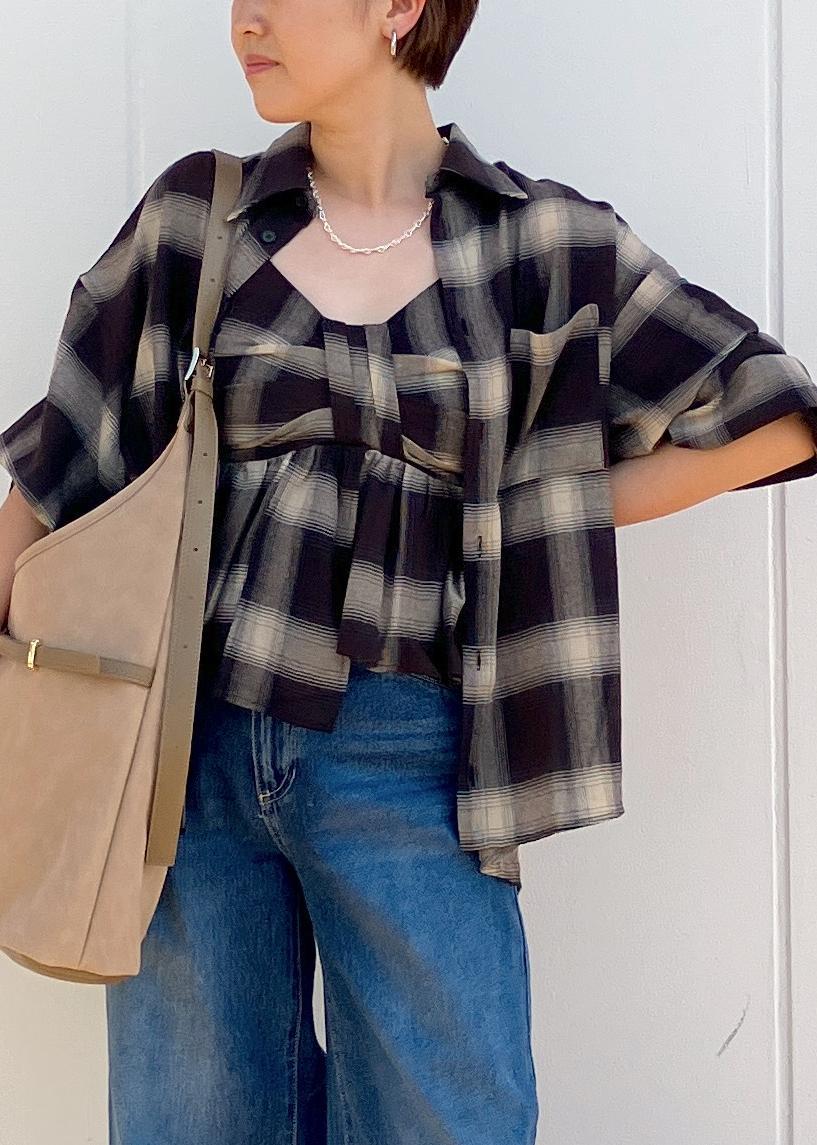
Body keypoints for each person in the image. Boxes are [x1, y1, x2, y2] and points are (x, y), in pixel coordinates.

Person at [1, 1, 816, 1142]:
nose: (245, 20)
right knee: (192, 1122)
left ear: (398, 8)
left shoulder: (539, 245)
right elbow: (58, 472)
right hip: (187, 757)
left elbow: (773, 415)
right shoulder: (200, 219)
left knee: (450, 1120)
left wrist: (545, 508)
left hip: (417, 754)